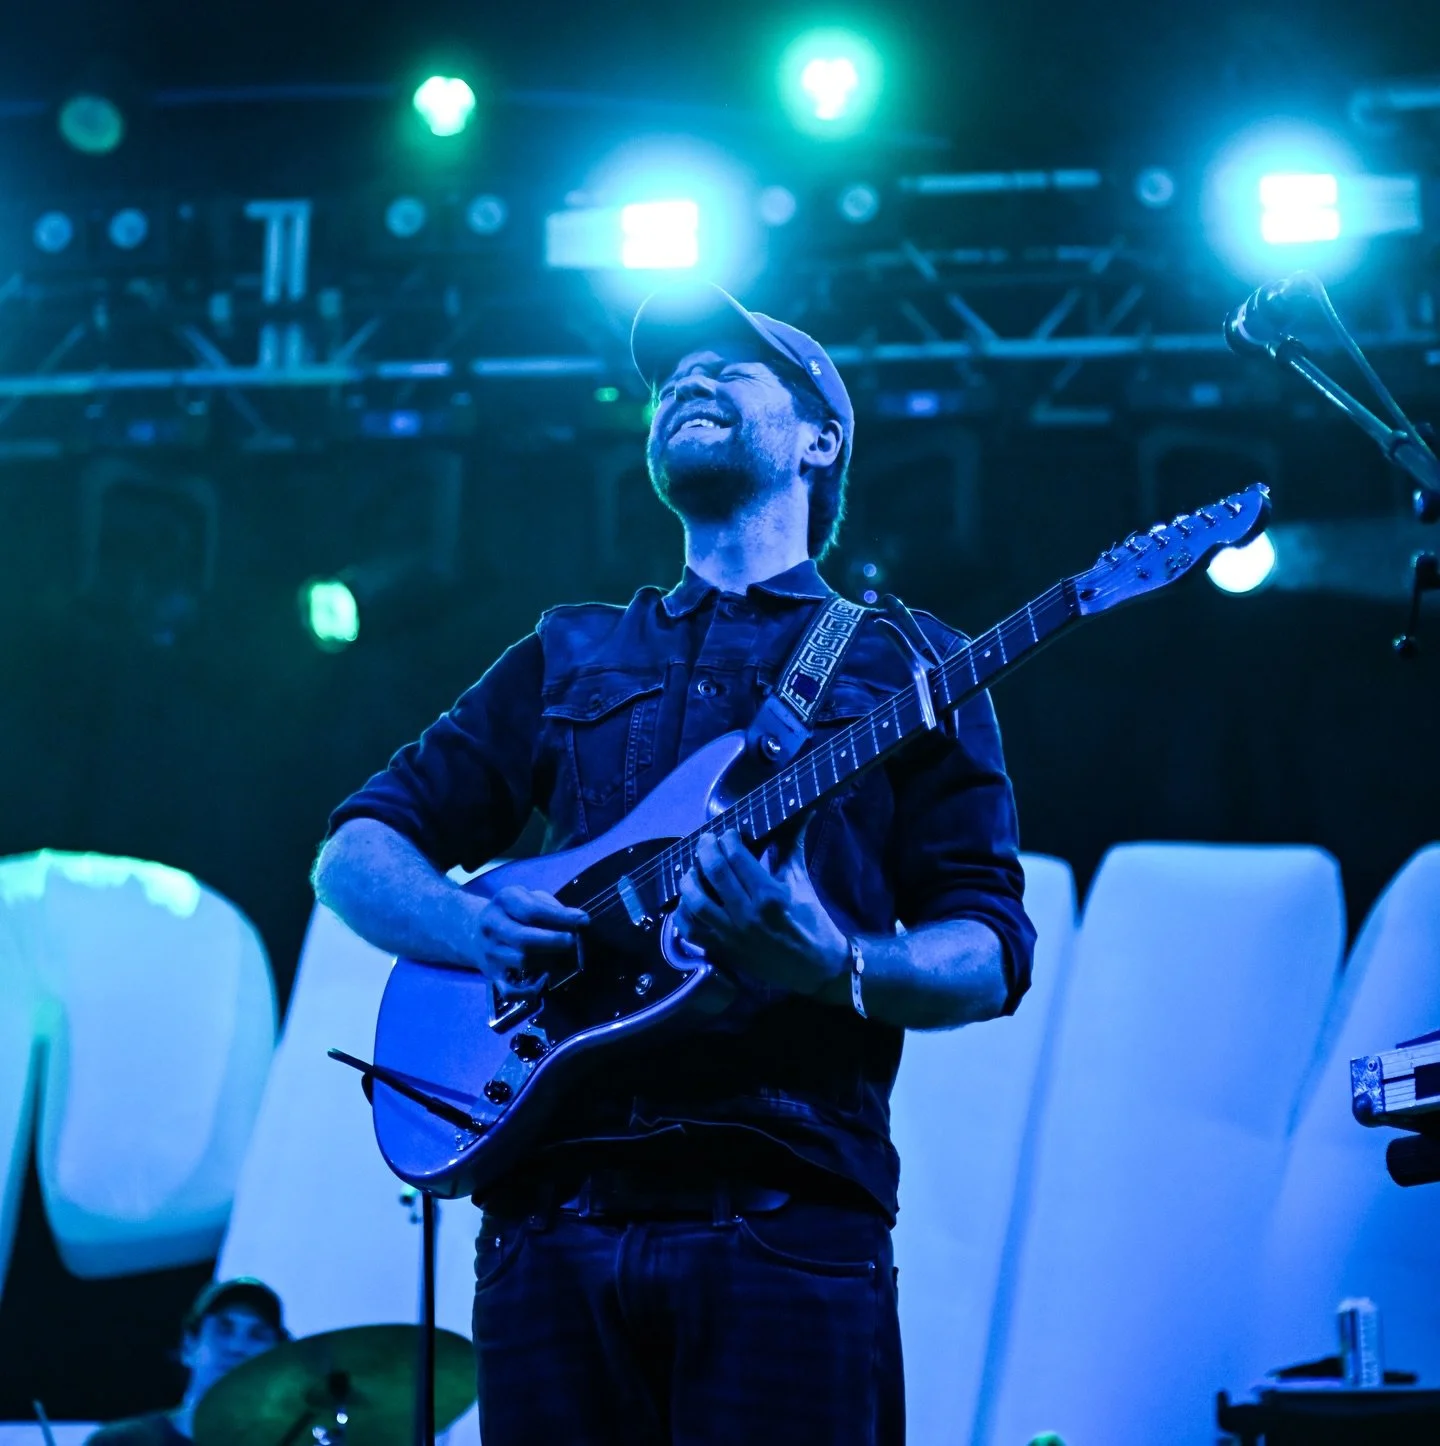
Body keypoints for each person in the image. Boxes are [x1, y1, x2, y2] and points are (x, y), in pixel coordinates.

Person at [313, 282, 1036, 1445]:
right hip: (549, 1218)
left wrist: (834, 965)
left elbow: (989, 948)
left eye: (730, 370)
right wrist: (474, 930)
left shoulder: (912, 664)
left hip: (786, 1215)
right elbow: (356, 853)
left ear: (820, 438)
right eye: (669, 379)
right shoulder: (569, 649)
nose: (686, 383)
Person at [84, 1278, 287, 1446]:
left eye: (258, 1335)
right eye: (224, 1328)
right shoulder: (122, 1442)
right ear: (189, 1346)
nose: (237, 1347)